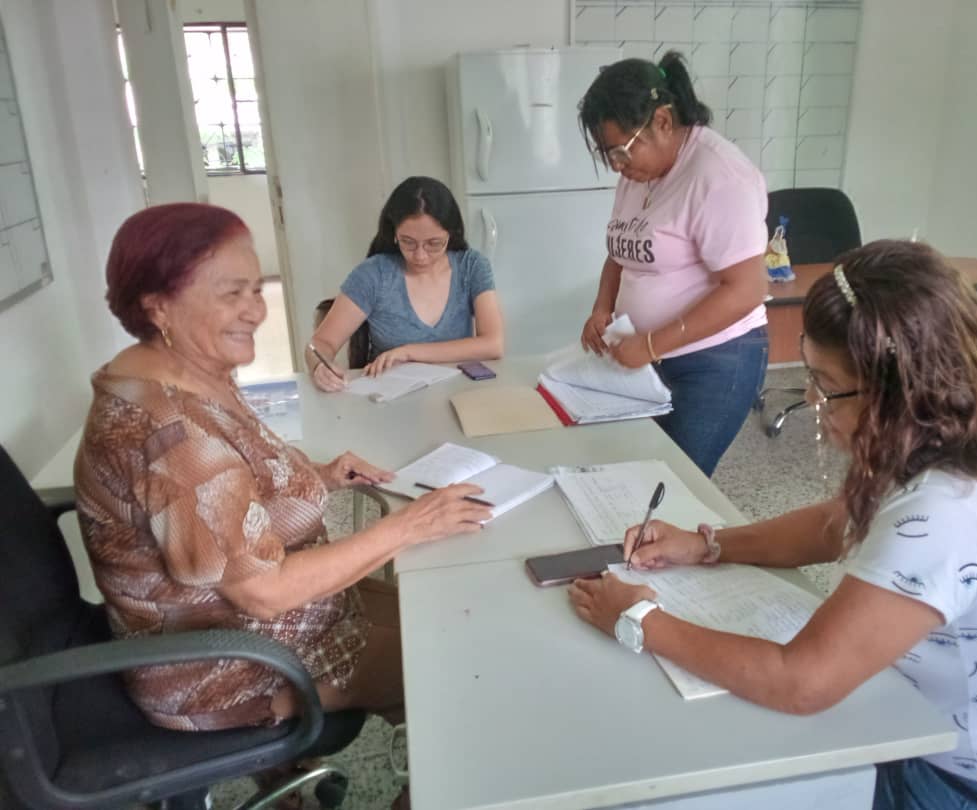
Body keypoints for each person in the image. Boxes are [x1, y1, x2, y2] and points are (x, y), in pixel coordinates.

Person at [569, 240, 977, 809]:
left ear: (897, 390)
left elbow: (800, 682)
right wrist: (706, 545)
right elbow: (840, 525)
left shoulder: (949, 509)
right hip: (943, 731)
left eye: (826, 384)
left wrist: (640, 618)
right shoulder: (956, 436)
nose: (813, 398)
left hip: (971, 782)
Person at [75, 203, 489, 792]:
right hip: (223, 665)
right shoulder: (169, 433)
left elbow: (224, 502)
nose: (256, 309)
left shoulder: (184, 369)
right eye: (231, 294)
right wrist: (409, 526)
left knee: (448, 613)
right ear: (158, 304)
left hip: (248, 621)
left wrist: (318, 477)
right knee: (458, 664)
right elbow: (264, 592)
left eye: (255, 288)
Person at [577, 51, 769, 475]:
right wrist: (602, 308)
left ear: (663, 121)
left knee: (675, 483)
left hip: (715, 361)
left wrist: (649, 345)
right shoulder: (641, 173)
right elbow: (620, 251)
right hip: (650, 356)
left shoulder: (718, 177)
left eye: (622, 152)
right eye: (608, 155)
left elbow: (747, 289)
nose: (617, 167)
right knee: (634, 470)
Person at [307, 176, 504, 388]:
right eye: (408, 242)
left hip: (458, 395)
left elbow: (493, 344)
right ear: (394, 234)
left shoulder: (471, 267)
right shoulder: (374, 275)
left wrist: (409, 352)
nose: (420, 256)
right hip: (389, 401)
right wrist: (320, 365)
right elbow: (319, 344)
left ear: (451, 235)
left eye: (434, 244)